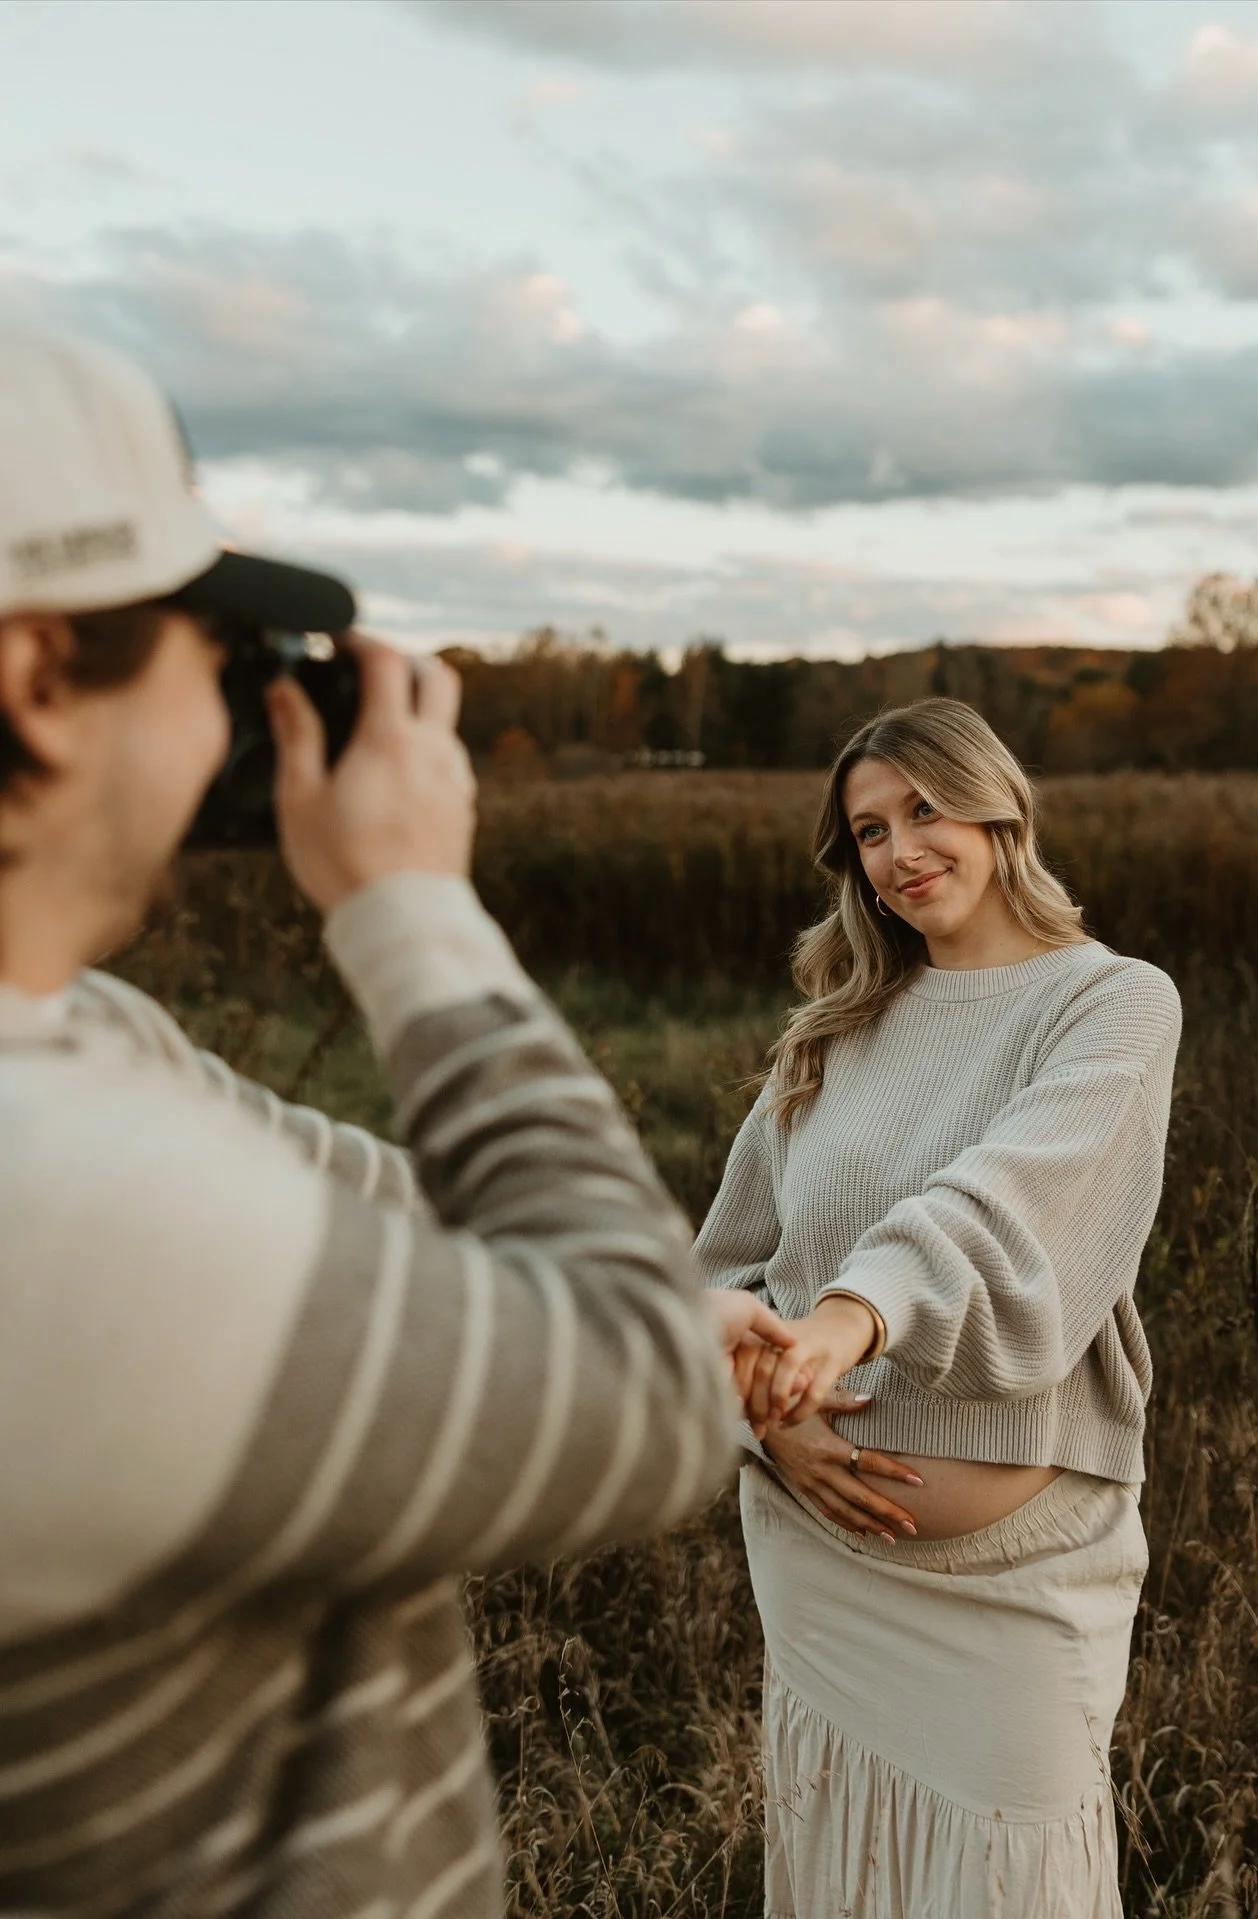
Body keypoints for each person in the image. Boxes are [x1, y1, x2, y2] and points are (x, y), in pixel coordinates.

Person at [0, 328, 791, 1915]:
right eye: (204, 647)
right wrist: (412, 908)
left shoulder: (74, 1039)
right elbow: (637, 1411)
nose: (235, 712)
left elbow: (310, 1180)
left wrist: (673, 1299)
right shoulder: (45, 1197)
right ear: (33, 679)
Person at [696, 697, 1183, 1918]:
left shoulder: (1110, 1001)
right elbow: (722, 1270)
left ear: (1000, 804)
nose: (902, 850)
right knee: (847, 1874)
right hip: (817, 1570)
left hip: (1020, 1587)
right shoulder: (833, 1033)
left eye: (926, 808)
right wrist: (773, 1421)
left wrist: (850, 1317)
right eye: (868, 830)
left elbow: (1001, 1204)